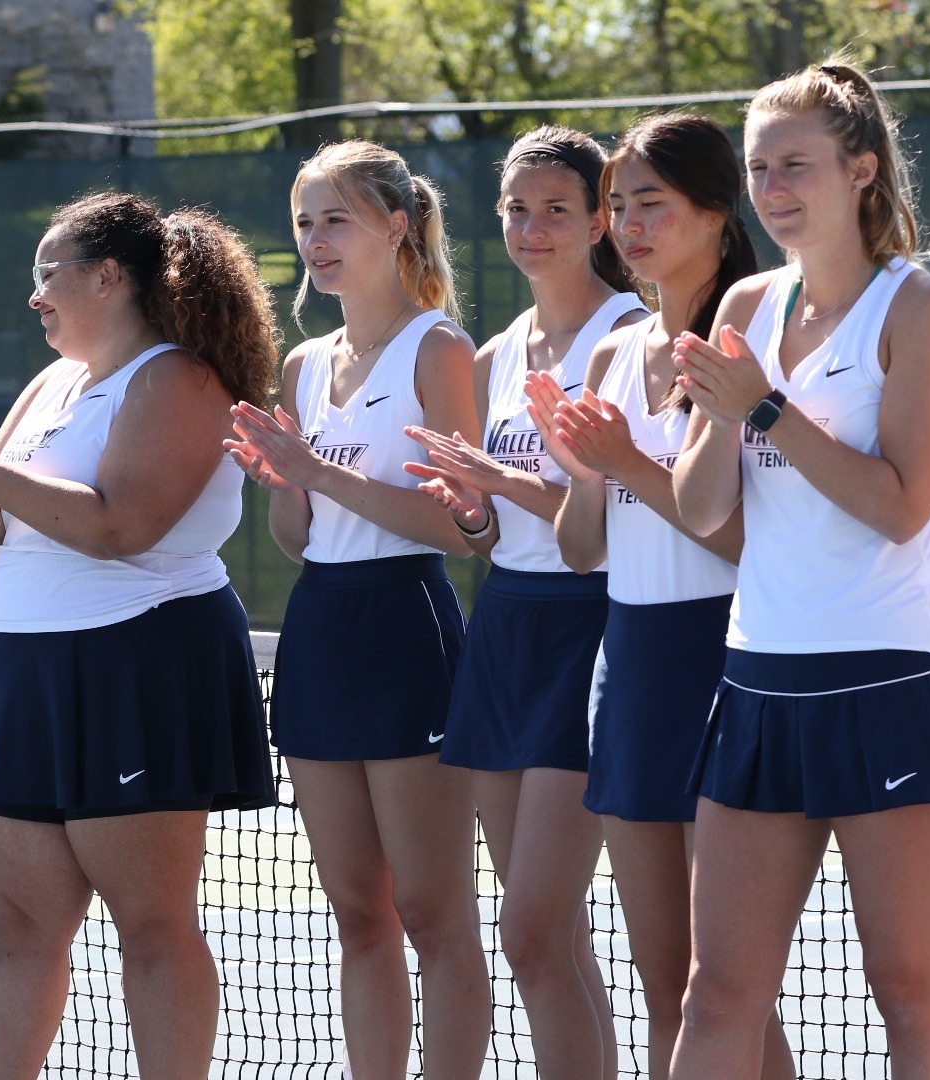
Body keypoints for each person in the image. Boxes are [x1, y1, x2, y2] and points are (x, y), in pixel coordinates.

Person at [0, 192, 279, 1080]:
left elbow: (123, 526)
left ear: (108, 275)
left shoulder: (178, 376)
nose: (35, 297)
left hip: (139, 659)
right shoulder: (52, 381)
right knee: (18, 926)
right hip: (22, 665)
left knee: (152, 926)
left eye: (48, 274)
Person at [666, 60, 930, 1079]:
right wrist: (726, 413)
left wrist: (766, 407)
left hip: (890, 684)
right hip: (758, 683)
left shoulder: (922, 310)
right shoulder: (743, 310)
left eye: (797, 165)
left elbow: (901, 507)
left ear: (861, 169)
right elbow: (699, 508)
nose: (773, 188)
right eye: (760, 167)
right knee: (717, 991)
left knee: (904, 984)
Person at [523, 111, 795, 1080]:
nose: (632, 224)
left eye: (655, 204)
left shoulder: (750, 339)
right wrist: (582, 471)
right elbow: (580, 548)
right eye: (621, 206)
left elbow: (735, 535)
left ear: (719, 214)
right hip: (628, 664)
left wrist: (625, 461)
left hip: (724, 659)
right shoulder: (608, 354)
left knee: (724, 987)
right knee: (664, 977)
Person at [223, 139, 489, 1080]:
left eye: (336, 218)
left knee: (433, 911)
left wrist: (313, 470)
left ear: (395, 226)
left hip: (407, 626)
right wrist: (286, 485)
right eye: (305, 221)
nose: (317, 240)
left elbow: (462, 527)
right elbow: (301, 538)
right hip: (321, 631)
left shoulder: (440, 346)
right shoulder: (301, 365)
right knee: (357, 911)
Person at [399, 125, 647, 1078]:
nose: (533, 228)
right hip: (505, 625)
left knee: (534, 925)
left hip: (595, 626)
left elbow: (632, 515)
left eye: (556, 210)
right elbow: (491, 530)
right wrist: (468, 505)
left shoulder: (627, 337)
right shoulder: (500, 352)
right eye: (516, 209)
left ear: (598, 221)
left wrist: (501, 482)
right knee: (545, 940)